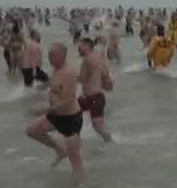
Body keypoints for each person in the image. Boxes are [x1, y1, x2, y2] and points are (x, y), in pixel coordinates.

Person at [25, 42, 84, 180]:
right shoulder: (56, 69)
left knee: (75, 159)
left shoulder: (69, 72)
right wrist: (43, 89)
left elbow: (69, 99)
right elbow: (57, 90)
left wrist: (46, 109)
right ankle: (59, 149)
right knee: (31, 130)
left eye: (52, 55)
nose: (49, 58)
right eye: (49, 55)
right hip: (55, 115)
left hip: (71, 119)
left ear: (62, 56)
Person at [77, 37, 113, 142]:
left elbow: (81, 78)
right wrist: (108, 85)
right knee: (70, 114)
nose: (79, 47)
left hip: (90, 98)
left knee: (98, 128)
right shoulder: (98, 58)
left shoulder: (87, 60)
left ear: (87, 46)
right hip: (98, 97)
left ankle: (110, 141)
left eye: (81, 45)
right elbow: (106, 74)